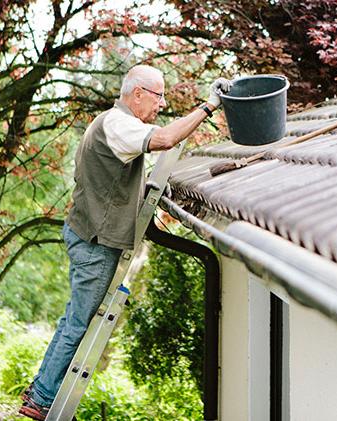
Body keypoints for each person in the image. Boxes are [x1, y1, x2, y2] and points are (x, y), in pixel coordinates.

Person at [19, 65, 231, 420]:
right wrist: (209, 105)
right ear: (137, 94)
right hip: (96, 242)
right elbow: (164, 139)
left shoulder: (112, 122)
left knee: (74, 318)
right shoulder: (118, 126)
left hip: (89, 235)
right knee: (78, 323)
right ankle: (41, 399)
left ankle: (40, 389)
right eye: (158, 96)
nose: (161, 104)